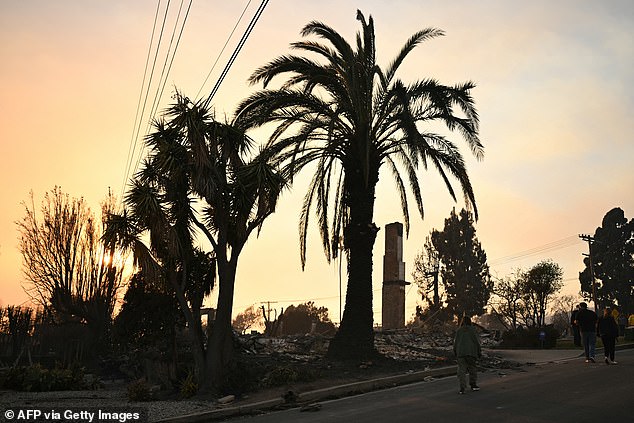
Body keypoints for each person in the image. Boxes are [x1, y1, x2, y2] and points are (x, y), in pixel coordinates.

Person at [453, 315, 481, 394]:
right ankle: (473, 384)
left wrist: (455, 352)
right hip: (471, 353)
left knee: (461, 371)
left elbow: (455, 343)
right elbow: (477, 342)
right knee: (472, 368)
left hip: (461, 353)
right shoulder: (473, 330)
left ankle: (462, 387)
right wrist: (479, 352)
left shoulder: (459, 331)